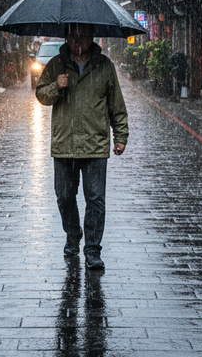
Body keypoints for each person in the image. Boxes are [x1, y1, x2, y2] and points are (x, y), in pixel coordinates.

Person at [35, 22, 128, 270]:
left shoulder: (105, 67)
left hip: (95, 144)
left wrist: (120, 135)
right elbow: (41, 95)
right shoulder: (56, 65)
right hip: (64, 144)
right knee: (64, 196)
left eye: (83, 36)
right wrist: (57, 85)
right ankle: (73, 234)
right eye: (73, 36)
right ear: (66, 38)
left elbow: (116, 106)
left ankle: (93, 249)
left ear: (92, 38)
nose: (78, 41)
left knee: (95, 200)